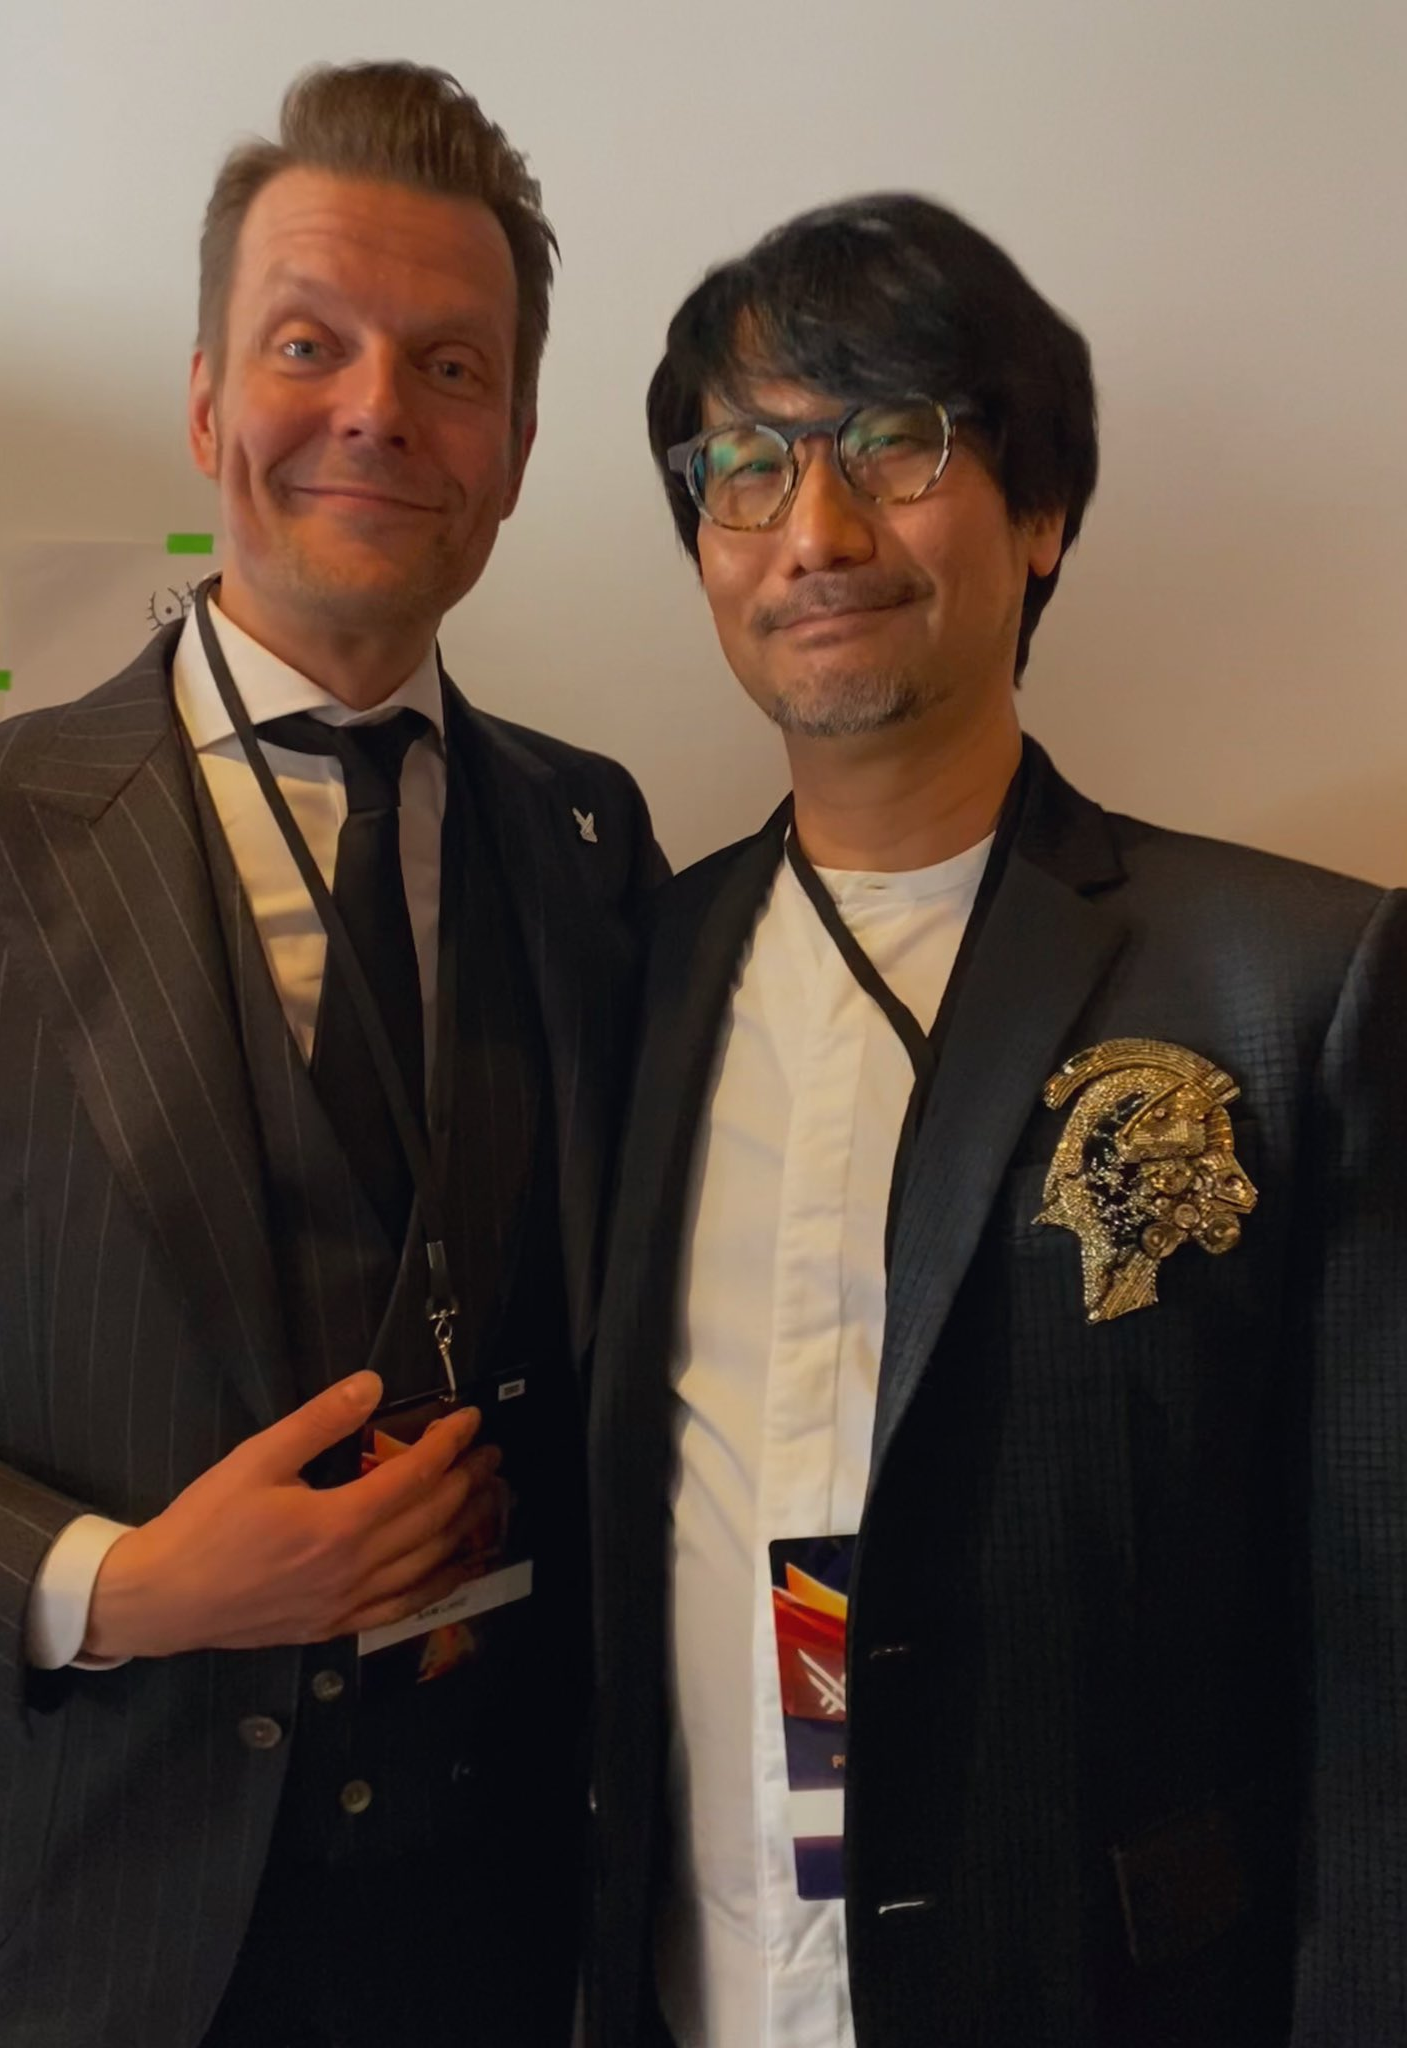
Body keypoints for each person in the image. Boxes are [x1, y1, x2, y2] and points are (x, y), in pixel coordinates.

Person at [0, 60, 662, 2048]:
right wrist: (114, 1585)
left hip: (504, 1942)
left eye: (450, 368)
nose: (378, 407)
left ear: (514, 450)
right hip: (86, 1940)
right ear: (208, 402)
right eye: (311, 345)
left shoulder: (596, 841)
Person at [587, 193, 1407, 2048]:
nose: (817, 531)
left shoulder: (1293, 982)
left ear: (1040, 515)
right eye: (747, 467)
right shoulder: (626, 974)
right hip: (702, 1979)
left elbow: (1384, 1637)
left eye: (895, 443)